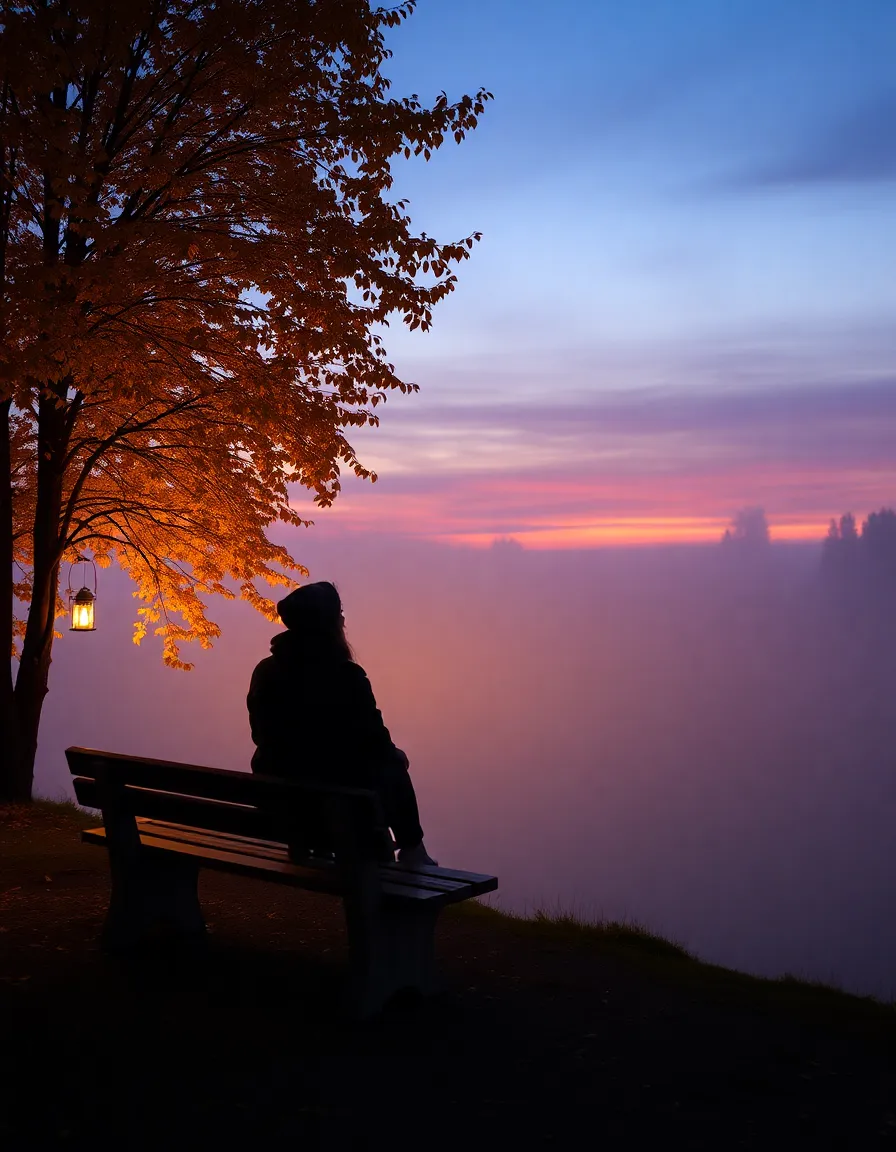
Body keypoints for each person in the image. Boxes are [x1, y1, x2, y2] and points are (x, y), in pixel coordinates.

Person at [247, 581, 437, 868]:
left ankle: (311, 846)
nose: (344, 621)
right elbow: (375, 740)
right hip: (336, 808)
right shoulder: (346, 676)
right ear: (328, 624)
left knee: (339, 774)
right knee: (392, 763)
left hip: (281, 802)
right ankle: (413, 850)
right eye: (340, 615)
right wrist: (393, 756)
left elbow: (261, 735)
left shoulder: (265, 671)